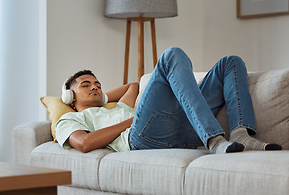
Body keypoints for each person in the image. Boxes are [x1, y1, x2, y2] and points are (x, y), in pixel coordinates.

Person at [56, 47, 282, 154]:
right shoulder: (70, 118)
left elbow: (132, 86)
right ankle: (214, 139)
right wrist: (128, 123)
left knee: (231, 62)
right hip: (143, 138)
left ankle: (241, 133)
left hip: (186, 128)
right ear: (71, 97)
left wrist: (103, 97)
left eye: (97, 83)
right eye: (85, 85)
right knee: (171, 55)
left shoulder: (117, 107)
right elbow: (84, 144)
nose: (94, 86)